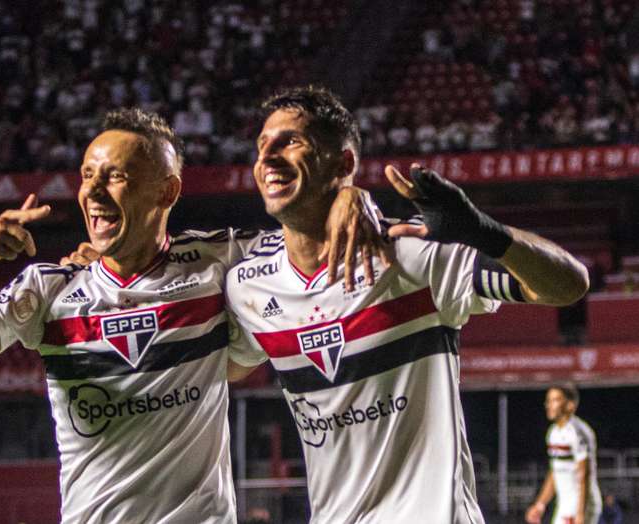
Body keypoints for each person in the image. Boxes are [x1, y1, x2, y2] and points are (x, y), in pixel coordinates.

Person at [0, 107, 384, 523]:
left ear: (167, 191)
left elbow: (310, 235)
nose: (94, 191)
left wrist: (350, 195)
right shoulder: (51, 286)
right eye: (88, 174)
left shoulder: (217, 261)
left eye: (116, 176)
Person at [225, 86, 590, 523]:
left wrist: (484, 232)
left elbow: (567, 284)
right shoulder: (250, 285)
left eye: (291, 142)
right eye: (262, 145)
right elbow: (222, 369)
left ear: (344, 164)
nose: (267, 158)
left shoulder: (412, 253)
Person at [526, 386, 602, 524]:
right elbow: (555, 471)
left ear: (570, 405)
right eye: (548, 400)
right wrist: (540, 504)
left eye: (555, 400)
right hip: (565, 505)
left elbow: (585, 474)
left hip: (580, 505)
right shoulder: (553, 432)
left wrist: (581, 512)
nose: (549, 405)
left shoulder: (578, 431)